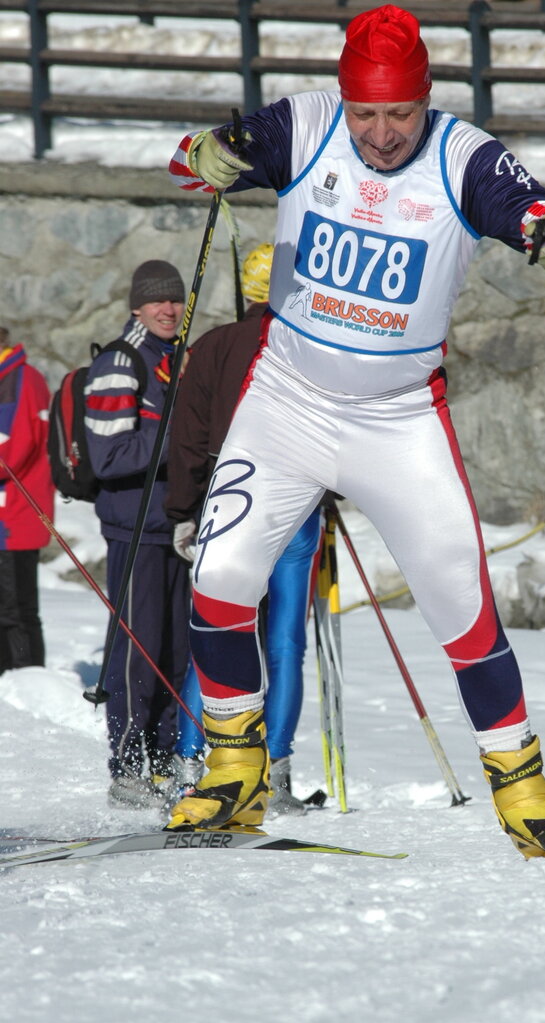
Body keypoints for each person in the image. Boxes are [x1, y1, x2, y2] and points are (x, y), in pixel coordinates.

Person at [165, 4, 545, 857]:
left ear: (424, 98)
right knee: (220, 576)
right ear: (344, 98)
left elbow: (529, 206)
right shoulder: (308, 123)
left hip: (397, 421)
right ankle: (233, 769)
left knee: (461, 602)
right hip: (286, 405)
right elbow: (208, 157)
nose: (380, 133)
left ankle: (525, 792)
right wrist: (207, 156)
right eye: (365, 112)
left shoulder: (460, 153)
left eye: (398, 112)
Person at [165, 242, 322, 813]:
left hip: (226, 504)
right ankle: (274, 776)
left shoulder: (213, 346)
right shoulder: (316, 348)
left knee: (215, 634)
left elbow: (186, 436)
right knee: (283, 643)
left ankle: (192, 768)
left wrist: (182, 510)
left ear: (250, 291)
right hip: (299, 506)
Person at [84, 261, 191, 808]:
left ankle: (163, 763)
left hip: (173, 528)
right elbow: (108, 456)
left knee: (175, 653)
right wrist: (183, 440)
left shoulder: (174, 357)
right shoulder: (118, 363)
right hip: (133, 526)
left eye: (174, 300)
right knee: (137, 652)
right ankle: (126, 768)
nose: (168, 310)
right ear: (136, 307)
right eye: (157, 302)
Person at [0, 327, 54, 674]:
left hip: (15, 519)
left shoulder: (17, 379)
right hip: (10, 517)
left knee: (16, 611)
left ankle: (29, 684)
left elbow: (9, 451)